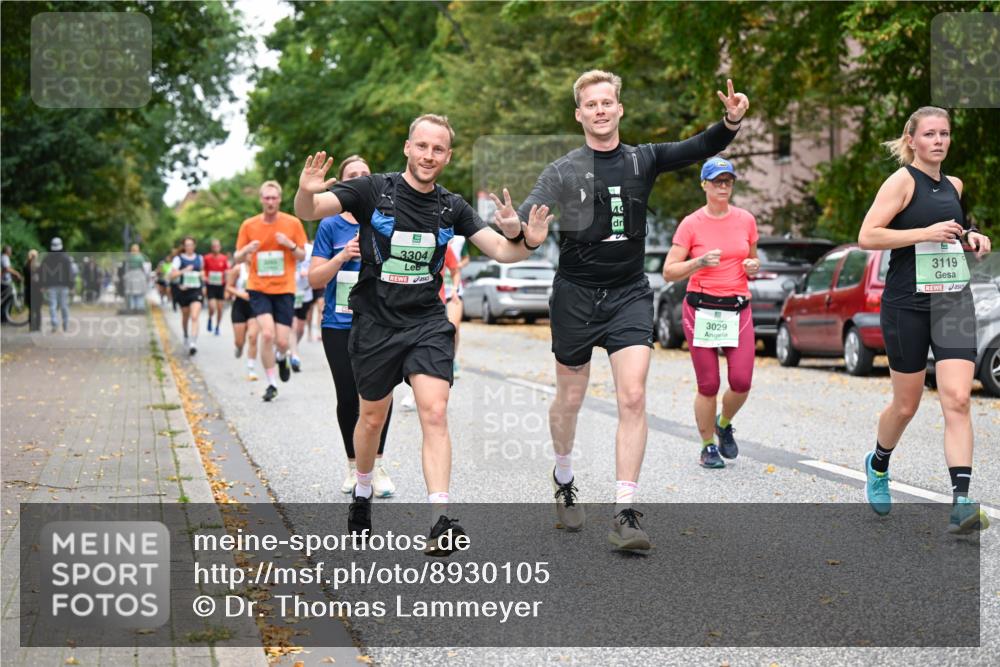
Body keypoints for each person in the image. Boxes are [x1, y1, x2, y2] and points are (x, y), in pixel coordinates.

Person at [512, 71, 748, 551]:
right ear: (579, 114)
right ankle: (563, 475)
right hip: (576, 296)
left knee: (634, 396)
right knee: (570, 401)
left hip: (628, 293)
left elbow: (698, 145)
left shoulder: (643, 159)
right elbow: (528, 221)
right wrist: (524, 231)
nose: (600, 110)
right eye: (591, 104)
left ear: (619, 109)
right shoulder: (562, 170)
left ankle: (625, 512)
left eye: (607, 102)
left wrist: (730, 121)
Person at [295, 114, 552, 554]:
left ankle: (440, 519)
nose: (429, 155)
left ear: (447, 156)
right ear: (408, 148)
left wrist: (527, 239)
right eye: (422, 146)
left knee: (434, 411)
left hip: (426, 322)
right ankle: (362, 488)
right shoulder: (371, 190)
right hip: (375, 321)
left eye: (438, 149)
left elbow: (502, 251)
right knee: (371, 417)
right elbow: (309, 211)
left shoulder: (452, 207)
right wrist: (306, 189)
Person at [858, 106, 992, 534]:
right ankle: (878, 464)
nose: (939, 141)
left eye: (945, 134)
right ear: (912, 140)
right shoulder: (900, 182)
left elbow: (957, 230)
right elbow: (868, 235)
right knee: (906, 404)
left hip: (952, 300)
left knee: (957, 398)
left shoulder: (954, 184)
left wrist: (973, 237)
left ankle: (962, 500)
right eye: (930, 134)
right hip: (907, 304)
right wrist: (924, 233)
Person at [662, 157, 759, 469]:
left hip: (737, 309)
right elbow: (669, 271)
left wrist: (753, 268)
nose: (723, 186)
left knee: (742, 380)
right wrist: (698, 262)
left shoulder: (746, 220)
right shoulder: (691, 224)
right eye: (717, 181)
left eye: (727, 181)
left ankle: (723, 422)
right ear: (703, 184)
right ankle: (707, 447)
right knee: (708, 384)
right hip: (701, 310)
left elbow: (752, 261)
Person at [311, 155, 396, 498]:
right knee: (348, 397)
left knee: (379, 397)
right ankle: (352, 465)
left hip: (380, 322)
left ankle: (376, 465)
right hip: (339, 323)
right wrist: (342, 256)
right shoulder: (330, 226)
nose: (360, 179)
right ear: (343, 183)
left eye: (365, 174)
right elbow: (314, 278)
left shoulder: (387, 221)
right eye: (352, 175)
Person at [234, 181, 308, 402]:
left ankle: (281, 356)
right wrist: (247, 249)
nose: (270, 201)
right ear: (261, 199)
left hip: (285, 287)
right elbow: (237, 257)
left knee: (283, 341)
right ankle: (271, 383)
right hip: (258, 287)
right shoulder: (249, 225)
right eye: (266, 198)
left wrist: (289, 244)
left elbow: (303, 256)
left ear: (280, 199)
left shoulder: (292, 223)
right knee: (267, 334)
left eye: (274, 198)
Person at [225, 260, 260, 381]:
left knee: (253, 337)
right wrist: (241, 294)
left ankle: (251, 369)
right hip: (239, 306)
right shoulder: (238, 269)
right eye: (249, 252)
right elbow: (228, 287)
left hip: (255, 305)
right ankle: (239, 347)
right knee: (239, 341)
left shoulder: (261, 266)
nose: (252, 255)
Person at [170, 237, 205, 355]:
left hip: (196, 290)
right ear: (184, 247)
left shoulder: (200, 258)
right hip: (183, 291)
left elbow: (204, 272)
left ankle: (193, 342)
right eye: (187, 245)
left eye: (191, 244)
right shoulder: (178, 259)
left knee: (195, 316)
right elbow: (172, 275)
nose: (189, 247)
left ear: (194, 245)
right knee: (186, 316)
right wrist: (184, 270)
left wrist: (202, 275)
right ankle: (185, 334)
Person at [289, 238, 314, 372]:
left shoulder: (310, 250)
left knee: (300, 329)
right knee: (292, 325)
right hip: (289, 292)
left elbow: (317, 265)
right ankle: (294, 354)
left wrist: (309, 273)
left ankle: (292, 347)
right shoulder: (288, 247)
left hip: (305, 292)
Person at [39, 237, 74, 332]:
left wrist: (42, 285)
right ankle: (65, 324)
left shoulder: (46, 258)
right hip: (64, 286)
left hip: (51, 286)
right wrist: (71, 286)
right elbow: (70, 273)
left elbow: (42, 272)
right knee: (64, 306)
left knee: (52, 305)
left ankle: (55, 324)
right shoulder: (66, 257)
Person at [203, 239, 230, 336]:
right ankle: (210, 318)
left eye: (217, 246)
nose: (216, 248)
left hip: (221, 285)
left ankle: (217, 326)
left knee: (220, 308)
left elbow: (227, 271)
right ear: (211, 248)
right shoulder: (206, 258)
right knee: (212, 307)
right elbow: (203, 270)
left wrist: (227, 285)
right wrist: (204, 278)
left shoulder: (223, 258)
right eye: (214, 246)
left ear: (220, 247)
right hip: (211, 285)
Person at [123, 243, 149, 312]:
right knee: (140, 293)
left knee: (131, 293)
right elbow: (144, 267)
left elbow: (126, 267)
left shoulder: (129, 257)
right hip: (139, 274)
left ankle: (132, 307)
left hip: (130, 275)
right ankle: (139, 307)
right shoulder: (140, 257)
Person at [1, 245, 22, 324]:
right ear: (7, 251)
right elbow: (7, 268)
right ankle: (4, 319)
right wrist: (16, 273)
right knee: (7, 299)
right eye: (10, 250)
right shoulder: (5, 257)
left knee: (5, 299)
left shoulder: (3, 257)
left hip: (4, 281)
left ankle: (4, 318)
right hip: (5, 282)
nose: (11, 252)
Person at [24, 249, 41, 331]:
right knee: (37, 309)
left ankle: (32, 326)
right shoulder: (38, 266)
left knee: (31, 309)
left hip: (29, 290)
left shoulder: (26, 265)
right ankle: (37, 326)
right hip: (37, 290)